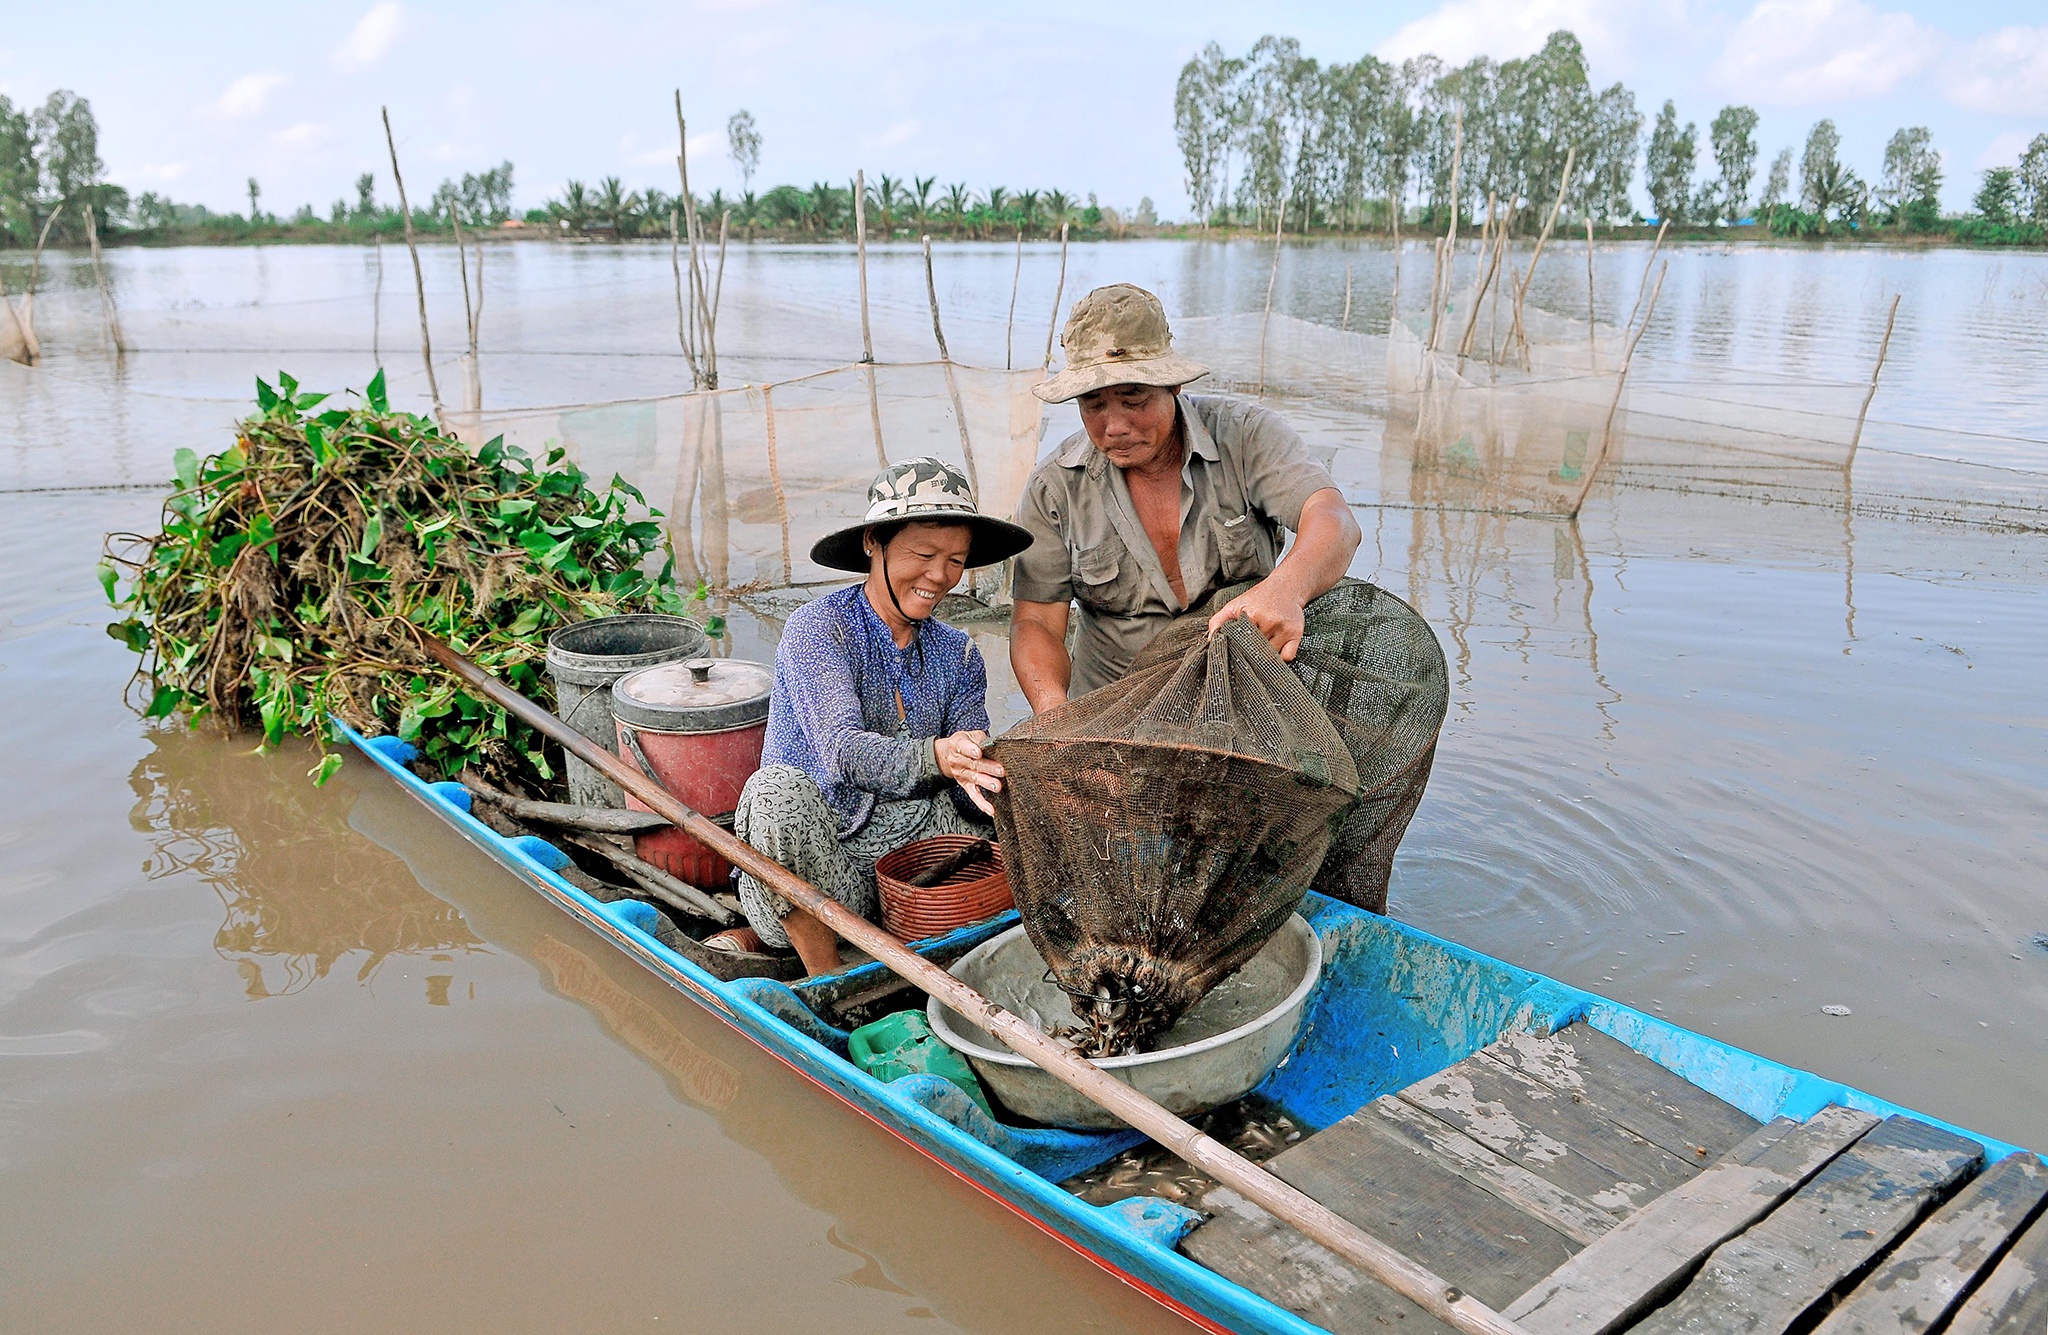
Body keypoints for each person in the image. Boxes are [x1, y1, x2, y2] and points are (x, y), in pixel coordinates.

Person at [1008, 283, 1433, 914]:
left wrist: (1286, 587)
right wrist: (1055, 721)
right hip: (1126, 710)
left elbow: (1333, 519)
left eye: (1135, 399)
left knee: (1274, 854)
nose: (1115, 425)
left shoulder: (1244, 437)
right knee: (1145, 890)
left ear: (1173, 389)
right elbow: (1037, 625)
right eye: (1093, 404)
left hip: (1250, 699)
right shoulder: (1055, 488)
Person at [732, 457, 1034, 976]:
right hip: (821, 863)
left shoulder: (957, 651)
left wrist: (985, 766)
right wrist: (938, 755)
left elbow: (963, 787)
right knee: (773, 794)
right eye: (924, 554)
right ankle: (825, 975)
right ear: (874, 542)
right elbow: (842, 751)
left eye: (957, 560)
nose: (940, 576)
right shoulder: (819, 629)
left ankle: (945, 933)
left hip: (917, 866)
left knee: (1020, 803)